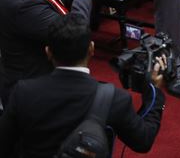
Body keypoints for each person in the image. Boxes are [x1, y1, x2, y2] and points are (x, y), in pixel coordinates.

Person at [0, 12, 167, 158]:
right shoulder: (115, 98)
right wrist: (154, 93)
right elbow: (143, 141)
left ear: (48, 52)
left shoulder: (23, 91)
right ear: (91, 49)